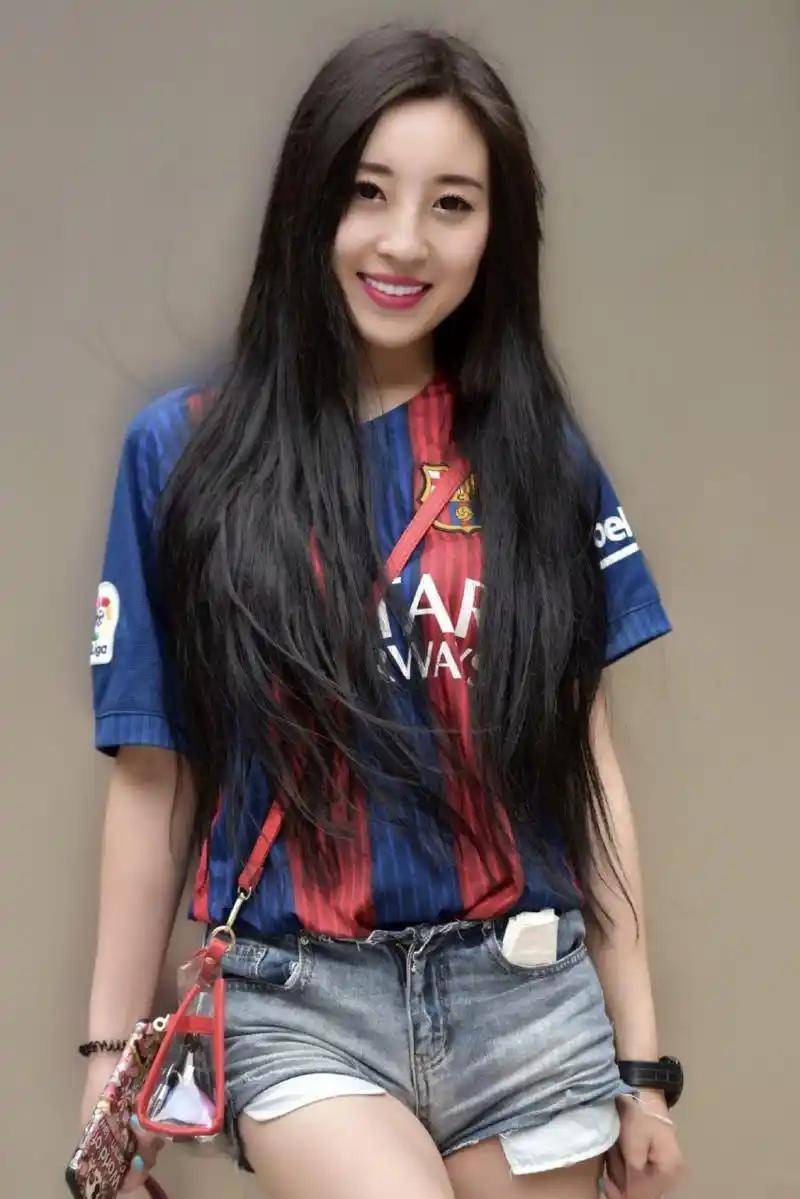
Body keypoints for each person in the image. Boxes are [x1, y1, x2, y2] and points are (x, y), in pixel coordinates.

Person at [80, 22, 688, 1199]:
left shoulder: (538, 459)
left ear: (495, 233)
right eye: (367, 191)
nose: (403, 240)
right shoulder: (184, 454)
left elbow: (583, 763)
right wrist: (110, 1057)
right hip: (297, 997)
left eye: (451, 203)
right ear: (309, 201)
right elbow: (153, 773)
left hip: (525, 996)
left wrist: (640, 1063)